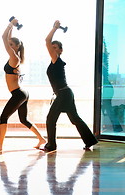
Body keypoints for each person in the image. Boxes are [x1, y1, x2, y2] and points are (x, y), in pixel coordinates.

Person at [43, 20, 98, 152]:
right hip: (65, 93)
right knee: (74, 119)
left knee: (51, 119)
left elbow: (47, 40)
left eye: (55, 47)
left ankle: (51, 145)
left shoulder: (57, 60)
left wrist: (54, 28)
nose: (53, 49)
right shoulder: (55, 62)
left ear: (61, 50)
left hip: (64, 94)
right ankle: (90, 140)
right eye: (52, 47)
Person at [0, 18, 46, 151]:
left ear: (16, 47)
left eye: (11, 45)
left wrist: (10, 24)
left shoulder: (15, 58)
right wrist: (13, 27)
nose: (9, 46)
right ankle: (41, 139)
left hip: (18, 94)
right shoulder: (14, 57)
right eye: (9, 45)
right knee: (23, 119)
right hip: (22, 93)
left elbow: (3, 37)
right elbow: (8, 37)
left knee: (3, 117)